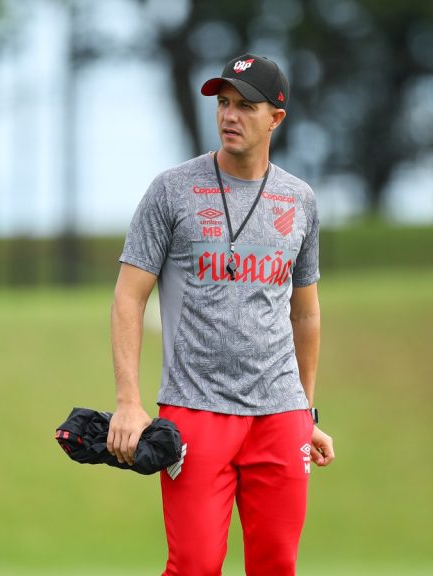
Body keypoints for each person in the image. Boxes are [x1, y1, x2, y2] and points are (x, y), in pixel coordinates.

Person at [108, 53, 335, 575]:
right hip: (194, 412)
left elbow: (306, 314)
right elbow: (128, 297)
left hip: (280, 417)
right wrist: (128, 402)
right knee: (193, 565)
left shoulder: (299, 200)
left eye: (245, 106)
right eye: (223, 103)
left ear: (276, 118)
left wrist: (308, 413)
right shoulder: (171, 191)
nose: (229, 115)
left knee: (277, 565)